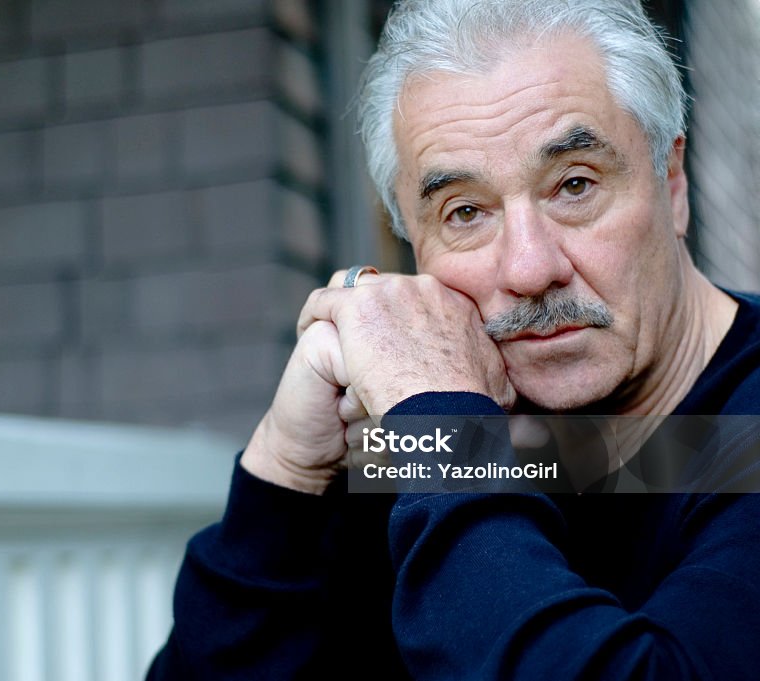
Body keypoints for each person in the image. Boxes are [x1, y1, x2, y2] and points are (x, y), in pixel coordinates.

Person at [148, 0, 760, 678]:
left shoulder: (439, 437)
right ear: (409, 245)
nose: (529, 268)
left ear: (671, 183)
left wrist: (442, 433)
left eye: (575, 185)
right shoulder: (426, 436)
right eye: (465, 212)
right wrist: (287, 469)